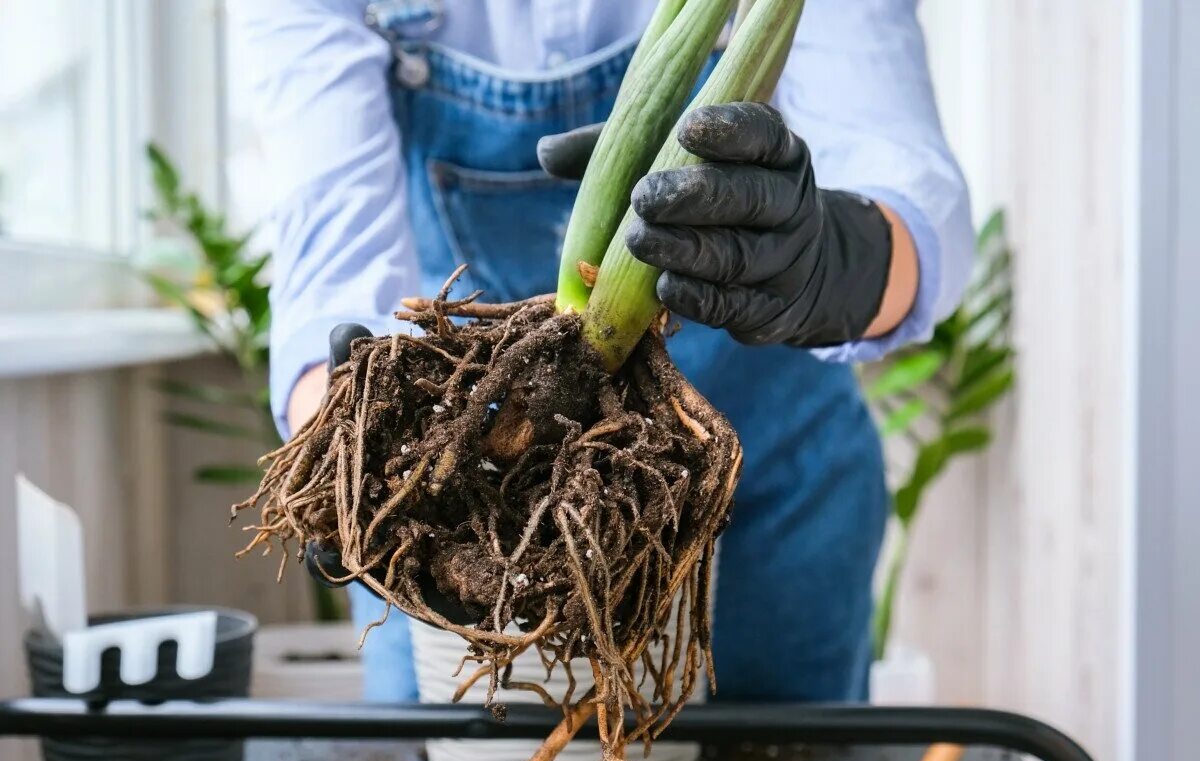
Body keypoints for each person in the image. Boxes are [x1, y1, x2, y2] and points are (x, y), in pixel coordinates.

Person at [229, 0, 972, 704]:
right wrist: (349, 462)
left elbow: (902, 177)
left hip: (766, 489)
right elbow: (333, 243)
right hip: (449, 493)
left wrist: (838, 257)